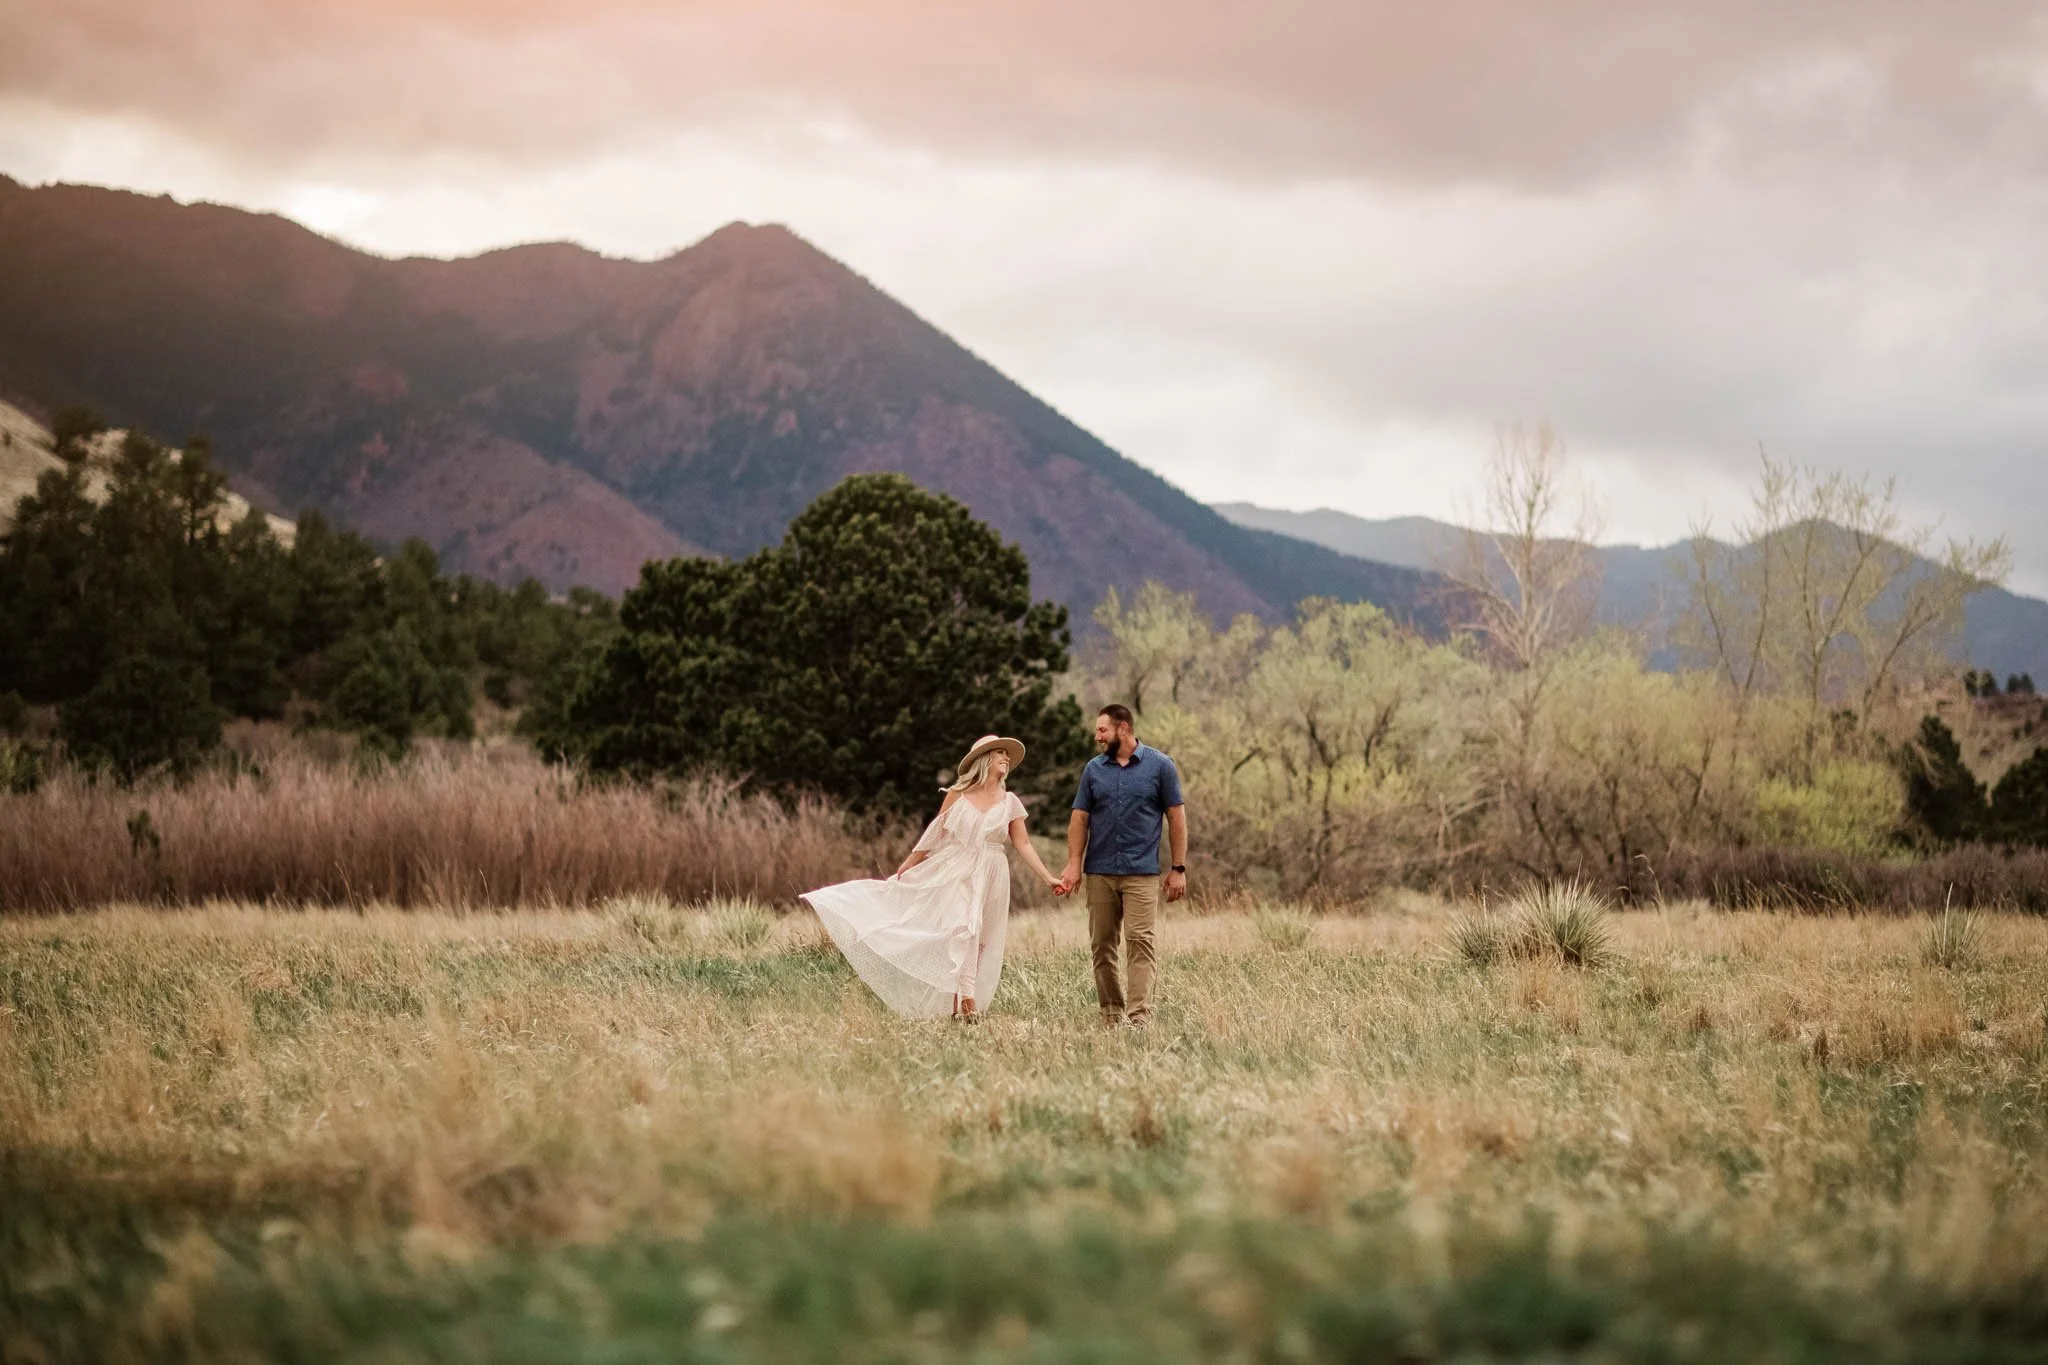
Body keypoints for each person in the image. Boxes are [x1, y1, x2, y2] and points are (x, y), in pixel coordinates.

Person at [802, 734, 1061, 1021]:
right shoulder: (958, 795)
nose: (1006, 758)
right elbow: (935, 834)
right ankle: (967, 1004)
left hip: (994, 871)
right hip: (959, 867)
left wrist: (1048, 878)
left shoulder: (1009, 801)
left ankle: (960, 1001)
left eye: (1007, 754)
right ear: (984, 759)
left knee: (983, 938)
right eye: (999, 752)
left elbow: (1023, 844)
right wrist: (908, 865)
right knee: (965, 928)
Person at [1054, 704, 1187, 1027]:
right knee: (1102, 945)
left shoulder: (1160, 766)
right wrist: (1074, 865)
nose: (1096, 736)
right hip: (1099, 871)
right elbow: (1079, 819)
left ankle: (1139, 1017)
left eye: (1102, 730)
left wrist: (1178, 868)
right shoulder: (1093, 770)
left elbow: (1176, 817)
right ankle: (1112, 1014)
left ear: (1123, 729)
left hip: (1141, 872)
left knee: (1141, 942)